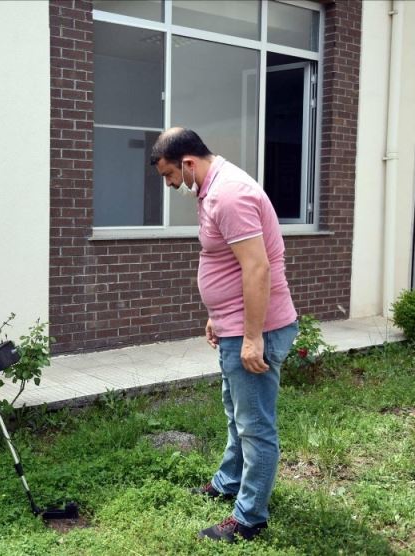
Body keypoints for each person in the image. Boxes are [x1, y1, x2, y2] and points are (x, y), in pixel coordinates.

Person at [151, 127, 298, 543]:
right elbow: (228, 262)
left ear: (189, 163)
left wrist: (252, 338)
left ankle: (249, 518)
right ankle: (228, 482)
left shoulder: (227, 194)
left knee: (255, 427)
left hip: (257, 330)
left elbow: (257, 268)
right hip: (235, 323)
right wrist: (218, 314)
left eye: (170, 176)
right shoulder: (212, 188)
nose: (170, 185)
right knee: (237, 413)